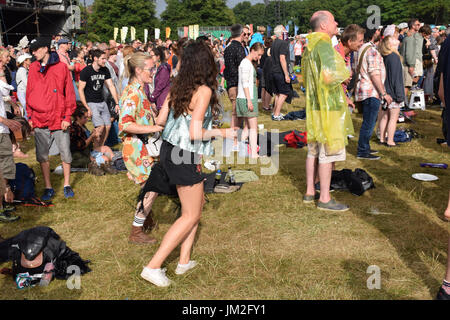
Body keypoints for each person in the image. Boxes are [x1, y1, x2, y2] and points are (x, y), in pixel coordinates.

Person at [140, 41, 237, 287]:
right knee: (190, 214)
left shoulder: (179, 86)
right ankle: (153, 267)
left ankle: (183, 261)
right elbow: (195, 133)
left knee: (196, 206)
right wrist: (224, 133)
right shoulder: (203, 91)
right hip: (183, 154)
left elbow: (162, 119)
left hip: (170, 150)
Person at [302, 11, 354, 212]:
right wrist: (344, 74)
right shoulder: (323, 44)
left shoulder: (309, 45)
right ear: (324, 26)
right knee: (327, 152)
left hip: (315, 105)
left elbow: (307, 77)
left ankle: (309, 190)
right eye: (333, 20)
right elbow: (330, 75)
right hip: (328, 108)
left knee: (313, 149)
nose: (337, 23)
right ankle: (324, 197)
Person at [119, 52, 165, 244]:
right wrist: (153, 128)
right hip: (136, 149)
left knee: (150, 187)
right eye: (150, 68)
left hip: (144, 148)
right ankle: (136, 231)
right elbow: (125, 124)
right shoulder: (132, 93)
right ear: (138, 70)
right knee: (151, 188)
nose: (153, 72)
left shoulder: (140, 90)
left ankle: (145, 219)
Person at [26, 37, 77, 200]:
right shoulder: (33, 67)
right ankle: (48, 187)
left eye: (35, 49)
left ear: (45, 49)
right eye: (32, 50)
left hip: (59, 117)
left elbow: (69, 93)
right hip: (39, 118)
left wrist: (67, 116)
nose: (33, 53)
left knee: (65, 152)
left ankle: (67, 184)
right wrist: (30, 115)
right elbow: (29, 92)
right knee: (42, 155)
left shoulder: (61, 67)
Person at [354, 28, 391, 160]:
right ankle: (363, 150)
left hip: (363, 90)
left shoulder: (361, 49)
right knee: (369, 123)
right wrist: (384, 93)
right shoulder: (371, 51)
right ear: (374, 34)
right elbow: (374, 74)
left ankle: (365, 147)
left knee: (368, 122)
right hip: (370, 91)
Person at [78, 49, 120, 149]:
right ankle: (94, 148)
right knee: (100, 127)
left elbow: (111, 86)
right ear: (95, 59)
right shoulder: (86, 71)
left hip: (102, 101)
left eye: (105, 58)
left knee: (108, 126)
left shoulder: (105, 70)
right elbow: (80, 89)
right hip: (91, 102)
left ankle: (100, 147)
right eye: (103, 59)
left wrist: (117, 103)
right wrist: (86, 106)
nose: (105, 61)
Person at [0, 53, 21, 222]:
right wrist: (5, 121)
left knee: (6, 165)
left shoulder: (1, 78)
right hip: (1, 127)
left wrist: (13, 104)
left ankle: (4, 197)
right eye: (2, 59)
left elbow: (6, 92)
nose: (6, 62)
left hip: (3, 130)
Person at [69, 103, 117, 175]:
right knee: (105, 158)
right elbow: (82, 146)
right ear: (78, 118)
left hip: (88, 151)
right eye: (85, 117)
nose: (87, 119)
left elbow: (92, 145)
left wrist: (95, 136)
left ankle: (116, 162)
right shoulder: (74, 129)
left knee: (106, 148)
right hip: (80, 155)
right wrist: (92, 136)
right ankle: (104, 164)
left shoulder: (82, 126)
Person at [237, 43, 265, 159]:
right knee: (253, 127)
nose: (259, 58)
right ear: (252, 50)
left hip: (246, 97)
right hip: (247, 98)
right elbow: (245, 83)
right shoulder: (245, 63)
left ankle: (240, 147)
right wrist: (249, 100)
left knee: (247, 127)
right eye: (258, 55)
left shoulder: (247, 63)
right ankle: (254, 153)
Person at [378, 35, 405, 147]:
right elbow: (395, 78)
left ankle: (382, 139)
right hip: (393, 92)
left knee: (385, 117)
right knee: (393, 118)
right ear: (389, 45)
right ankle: (390, 140)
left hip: (385, 91)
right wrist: (399, 95)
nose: (396, 39)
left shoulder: (385, 56)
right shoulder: (394, 57)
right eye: (393, 39)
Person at [224, 24, 247, 151]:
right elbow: (242, 68)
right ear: (242, 34)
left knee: (237, 113)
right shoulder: (239, 48)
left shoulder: (228, 48)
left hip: (231, 84)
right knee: (236, 114)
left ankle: (237, 139)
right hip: (238, 84)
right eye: (246, 34)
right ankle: (234, 142)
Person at [271, 25, 291, 121]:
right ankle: (276, 114)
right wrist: (286, 74)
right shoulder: (283, 43)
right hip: (280, 71)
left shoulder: (274, 43)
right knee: (284, 93)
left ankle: (275, 112)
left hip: (274, 70)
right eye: (284, 30)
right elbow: (282, 58)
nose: (286, 32)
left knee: (278, 93)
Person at [148, 46, 171, 111]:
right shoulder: (153, 68)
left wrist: (152, 98)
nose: (150, 58)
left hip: (161, 100)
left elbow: (160, 86)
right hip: (153, 99)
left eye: (152, 56)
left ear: (158, 57)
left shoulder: (163, 69)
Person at [15, 53, 32, 118]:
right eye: (28, 60)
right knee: (26, 110)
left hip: (24, 92)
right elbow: (26, 83)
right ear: (24, 61)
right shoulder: (22, 70)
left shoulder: (25, 69)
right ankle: (26, 125)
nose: (30, 61)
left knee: (27, 110)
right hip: (22, 92)